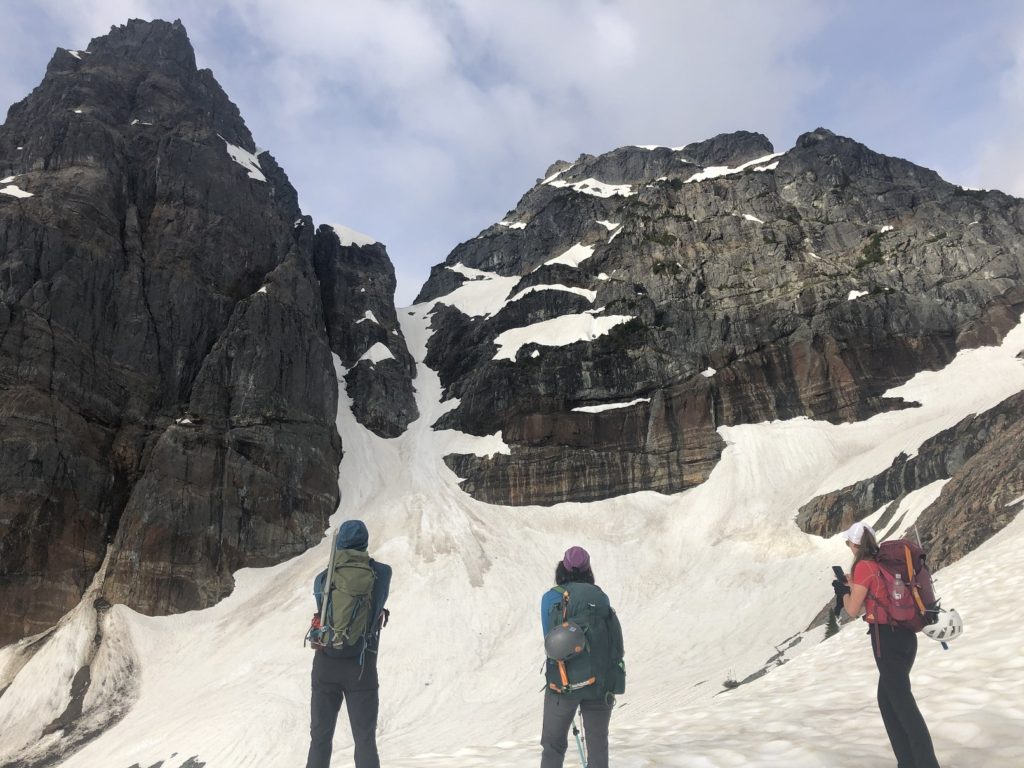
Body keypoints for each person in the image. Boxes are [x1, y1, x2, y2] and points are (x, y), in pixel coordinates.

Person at [834, 522, 940, 768]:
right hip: (905, 637)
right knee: (889, 701)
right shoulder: (881, 562)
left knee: (902, 706)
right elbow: (875, 594)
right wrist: (853, 586)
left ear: (854, 544)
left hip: (886, 640)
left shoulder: (863, 566)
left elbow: (852, 610)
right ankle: (908, 762)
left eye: (848, 543)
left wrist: (842, 592)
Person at [306, 519, 392, 768]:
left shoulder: (323, 579)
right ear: (364, 543)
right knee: (364, 741)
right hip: (361, 667)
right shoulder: (381, 573)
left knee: (320, 740)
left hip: (325, 665)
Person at [539, 546, 621, 768]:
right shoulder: (600, 597)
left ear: (563, 568)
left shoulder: (550, 598)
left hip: (563, 684)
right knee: (598, 746)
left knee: (553, 746)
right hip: (598, 683)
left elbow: (549, 638)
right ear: (588, 570)